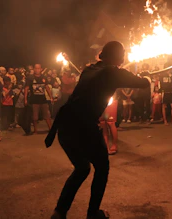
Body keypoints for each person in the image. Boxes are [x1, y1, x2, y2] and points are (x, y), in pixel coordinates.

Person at [46, 41, 150, 219]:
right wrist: (146, 77)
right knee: (101, 167)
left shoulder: (89, 69)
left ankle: (59, 212)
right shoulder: (113, 72)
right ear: (118, 56)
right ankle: (93, 213)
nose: (124, 56)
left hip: (65, 125)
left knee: (82, 168)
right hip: (83, 126)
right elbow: (143, 83)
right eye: (123, 53)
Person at [24, 64, 53, 134]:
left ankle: (51, 129)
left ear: (41, 69)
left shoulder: (44, 77)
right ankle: (35, 130)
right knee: (35, 116)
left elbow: (47, 87)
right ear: (34, 69)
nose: (37, 70)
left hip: (43, 99)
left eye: (38, 68)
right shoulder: (30, 78)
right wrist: (25, 99)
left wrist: (51, 97)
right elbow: (26, 88)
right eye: (36, 68)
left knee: (47, 115)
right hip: (34, 100)